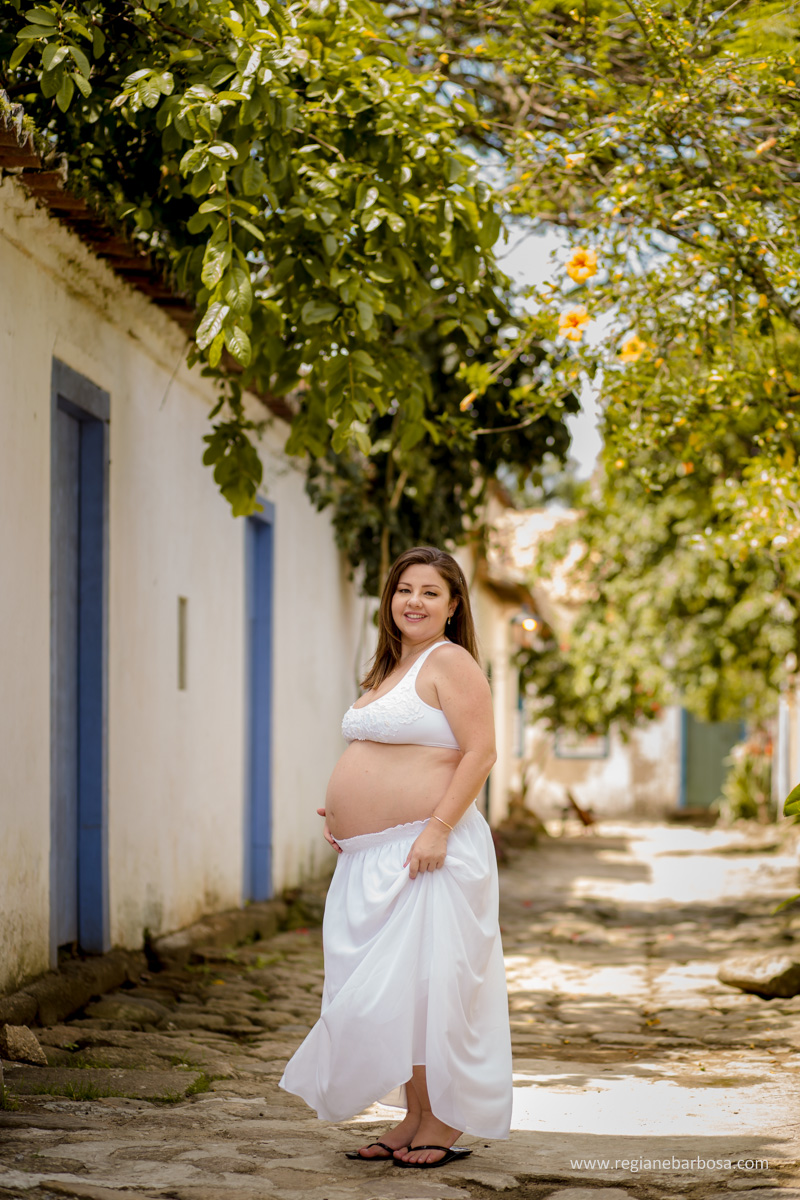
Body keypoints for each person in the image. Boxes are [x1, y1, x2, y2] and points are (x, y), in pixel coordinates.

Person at [279, 546, 513, 1169]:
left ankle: (445, 1119)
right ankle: (413, 1115)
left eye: (430, 592)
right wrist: (348, 813)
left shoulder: (450, 661)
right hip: (373, 859)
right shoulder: (390, 666)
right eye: (404, 589)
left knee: (432, 991)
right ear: (389, 600)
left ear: (453, 605)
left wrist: (437, 828)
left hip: (428, 852)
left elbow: (481, 753)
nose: (414, 601)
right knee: (394, 998)